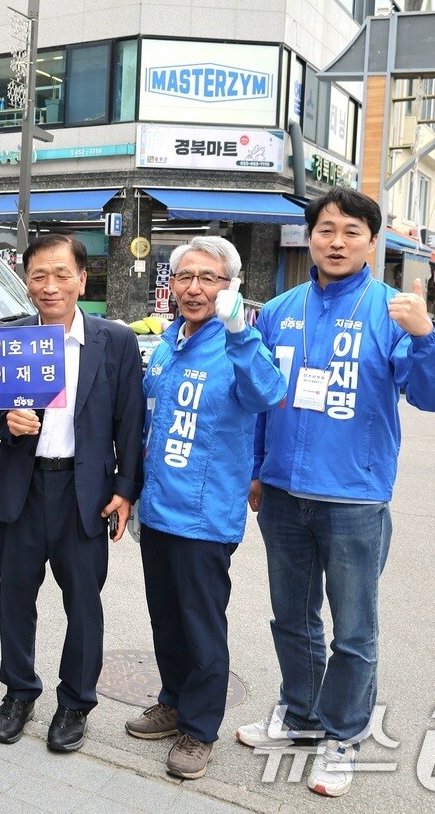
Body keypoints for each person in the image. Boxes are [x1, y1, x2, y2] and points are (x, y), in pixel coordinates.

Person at [239, 188, 435, 798]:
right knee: (292, 618)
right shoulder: (279, 311)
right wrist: (257, 468)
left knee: (354, 630)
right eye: (326, 229)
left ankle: (343, 739)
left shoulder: (392, 310)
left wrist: (428, 337)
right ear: (310, 237)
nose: (336, 242)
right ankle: (301, 715)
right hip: (282, 492)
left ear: (371, 241)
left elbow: (434, 397)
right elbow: (263, 397)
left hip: (355, 499)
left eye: (351, 232)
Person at [125, 238, 286, 779]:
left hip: (206, 515)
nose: (194, 288)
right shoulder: (169, 343)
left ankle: (199, 729)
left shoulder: (240, 343)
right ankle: (173, 700)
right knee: (166, 621)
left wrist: (241, 334)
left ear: (230, 287)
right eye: (185, 277)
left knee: (201, 627)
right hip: (159, 509)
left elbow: (268, 393)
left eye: (209, 278)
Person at [0, 233, 143, 753]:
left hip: (84, 491)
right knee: (15, 598)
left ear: (82, 279)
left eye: (60, 275)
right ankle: (19, 692)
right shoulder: (12, 337)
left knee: (83, 602)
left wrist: (124, 490)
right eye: (38, 276)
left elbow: (129, 420)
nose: (49, 286)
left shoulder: (112, 341)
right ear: (26, 282)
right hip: (22, 489)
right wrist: (8, 420)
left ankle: (76, 702)